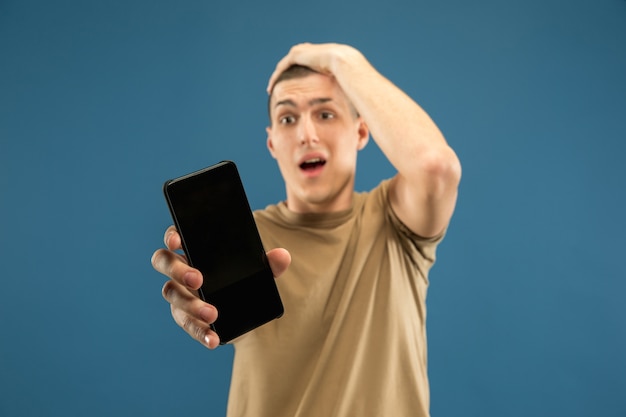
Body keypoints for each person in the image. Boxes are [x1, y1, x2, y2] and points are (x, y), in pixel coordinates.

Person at [151, 42, 461, 417]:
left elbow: (436, 167)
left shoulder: (395, 221)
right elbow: (198, 302)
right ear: (272, 143)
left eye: (326, 114)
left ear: (362, 132)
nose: (306, 135)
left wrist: (343, 59)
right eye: (287, 119)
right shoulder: (247, 238)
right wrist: (190, 299)